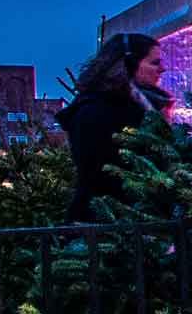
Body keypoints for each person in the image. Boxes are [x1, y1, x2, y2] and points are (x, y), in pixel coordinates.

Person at [58, 33, 173, 221]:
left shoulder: (146, 106)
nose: (162, 69)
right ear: (128, 64)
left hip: (140, 219)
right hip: (107, 225)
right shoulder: (95, 111)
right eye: (154, 63)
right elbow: (104, 173)